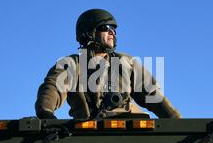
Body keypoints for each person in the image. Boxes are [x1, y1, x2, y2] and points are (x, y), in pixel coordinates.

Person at [35, 9, 181, 119]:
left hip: (132, 130)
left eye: (114, 30)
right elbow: (52, 88)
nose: (112, 33)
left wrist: (178, 124)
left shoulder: (127, 62)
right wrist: (46, 113)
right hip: (88, 133)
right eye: (106, 28)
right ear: (89, 32)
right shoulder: (71, 64)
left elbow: (153, 95)